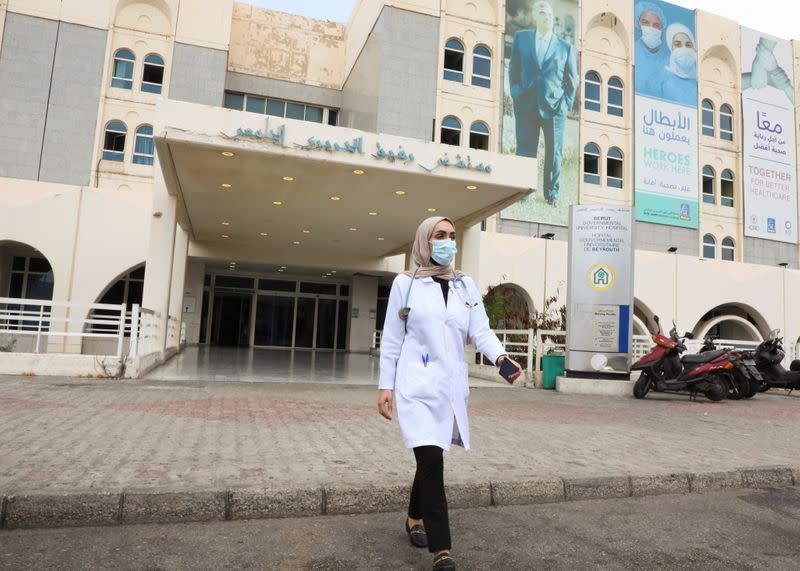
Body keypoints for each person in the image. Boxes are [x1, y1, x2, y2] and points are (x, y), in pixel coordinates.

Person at [377, 216, 522, 571]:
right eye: (439, 236)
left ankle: (414, 517)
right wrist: (385, 386)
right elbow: (393, 339)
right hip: (416, 388)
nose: (447, 242)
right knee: (431, 460)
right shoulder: (405, 284)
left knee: (430, 458)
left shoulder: (465, 286)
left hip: (449, 388)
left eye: (452, 236)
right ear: (425, 241)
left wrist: (501, 358)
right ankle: (442, 550)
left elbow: (482, 331)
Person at [508, 0, 578, 207]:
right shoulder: (522, 38)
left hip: (555, 108)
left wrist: (565, 105)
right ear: (535, 16)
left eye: (548, 13)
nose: (545, 15)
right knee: (525, 149)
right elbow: (513, 68)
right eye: (541, 12)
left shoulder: (566, 47)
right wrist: (515, 92)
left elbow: (572, 81)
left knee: (554, 152)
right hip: (526, 103)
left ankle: (552, 194)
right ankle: (524, 192)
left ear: (552, 18)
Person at [652, 23, 697, 106]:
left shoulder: (699, 83)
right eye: (677, 45)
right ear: (671, 47)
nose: (684, 48)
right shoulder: (661, 79)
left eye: (688, 45)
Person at [634, 1, 670, 95]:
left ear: (662, 29)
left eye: (656, 25)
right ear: (638, 24)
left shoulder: (668, 60)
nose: (651, 28)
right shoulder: (632, 52)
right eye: (645, 23)